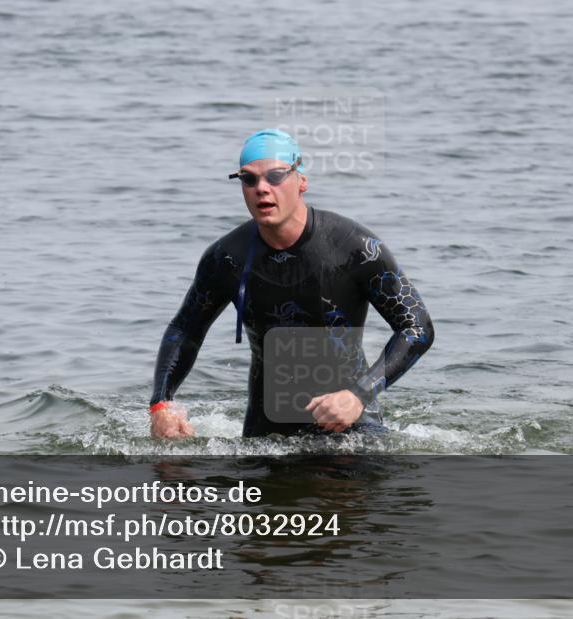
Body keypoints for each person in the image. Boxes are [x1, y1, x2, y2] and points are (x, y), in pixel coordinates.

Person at [150, 129, 434, 439]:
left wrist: (359, 394)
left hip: (351, 426)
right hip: (267, 433)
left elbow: (417, 327)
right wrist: (161, 405)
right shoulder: (226, 258)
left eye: (275, 176)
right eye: (248, 179)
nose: (262, 188)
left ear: (301, 181)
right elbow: (185, 331)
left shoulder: (354, 248)